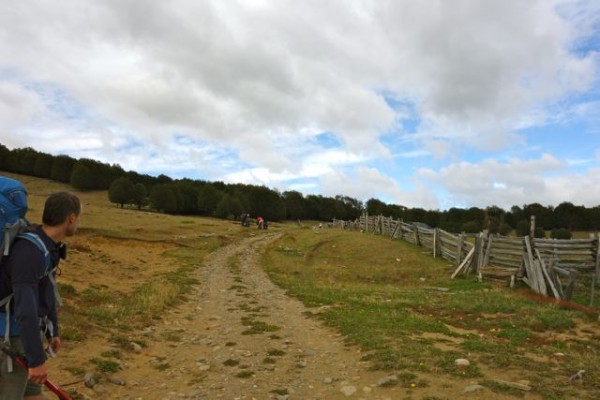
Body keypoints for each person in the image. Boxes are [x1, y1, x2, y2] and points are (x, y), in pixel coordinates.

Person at [0, 191, 81, 400]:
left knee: (33, 395)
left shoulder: (47, 247)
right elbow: (25, 310)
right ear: (71, 218)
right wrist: (36, 361)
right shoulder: (30, 252)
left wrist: (52, 330)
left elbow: (47, 290)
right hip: (10, 338)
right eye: (77, 218)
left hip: (25, 336)